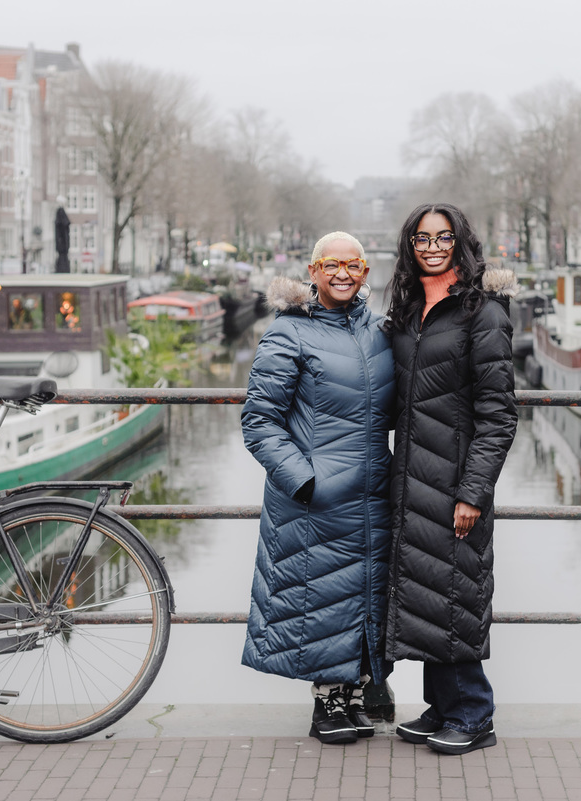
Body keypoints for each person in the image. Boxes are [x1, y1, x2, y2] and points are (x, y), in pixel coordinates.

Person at [240, 231, 394, 746]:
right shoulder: (289, 332)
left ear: (367, 272)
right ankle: (326, 702)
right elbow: (260, 421)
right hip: (317, 498)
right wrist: (304, 482)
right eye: (332, 264)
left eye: (354, 265)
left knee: (363, 593)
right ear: (313, 271)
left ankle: (354, 694)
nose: (344, 274)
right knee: (320, 596)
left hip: (373, 493)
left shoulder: (378, 331)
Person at [384, 203, 518, 756]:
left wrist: (473, 491)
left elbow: (499, 414)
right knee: (426, 593)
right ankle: (442, 706)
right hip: (411, 477)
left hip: (456, 481)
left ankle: (474, 714)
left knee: (457, 591)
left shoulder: (481, 312)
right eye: (422, 238)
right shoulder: (411, 307)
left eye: (443, 237)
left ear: (460, 242)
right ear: (410, 246)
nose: (432, 246)